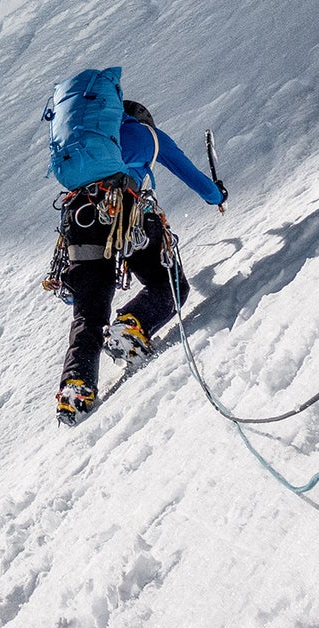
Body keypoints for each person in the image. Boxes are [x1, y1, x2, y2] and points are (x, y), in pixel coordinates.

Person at [54, 98, 226, 424]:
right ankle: (132, 326)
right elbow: (189, 173)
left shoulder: (85, 153)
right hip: (128, 214)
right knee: (170, 284)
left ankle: (75, 388)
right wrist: (217, 195)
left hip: (80, 218)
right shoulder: (147, 135)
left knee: (88, 314)